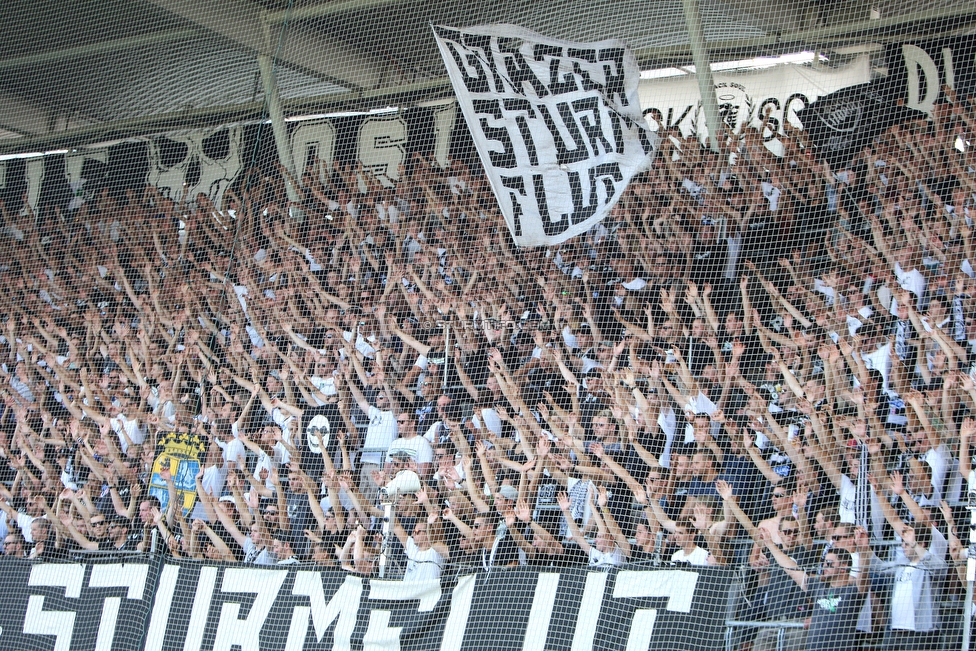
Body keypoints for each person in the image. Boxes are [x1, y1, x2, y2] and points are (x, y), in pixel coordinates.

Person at [759, 526, 870, 651]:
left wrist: (864, 549)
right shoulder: (818, 587)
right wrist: (770, 544)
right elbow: (792, 568)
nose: (824, 567)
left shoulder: (852, 591)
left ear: (844, 567)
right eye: (824, 563)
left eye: (829, 564)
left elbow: (863, 574)